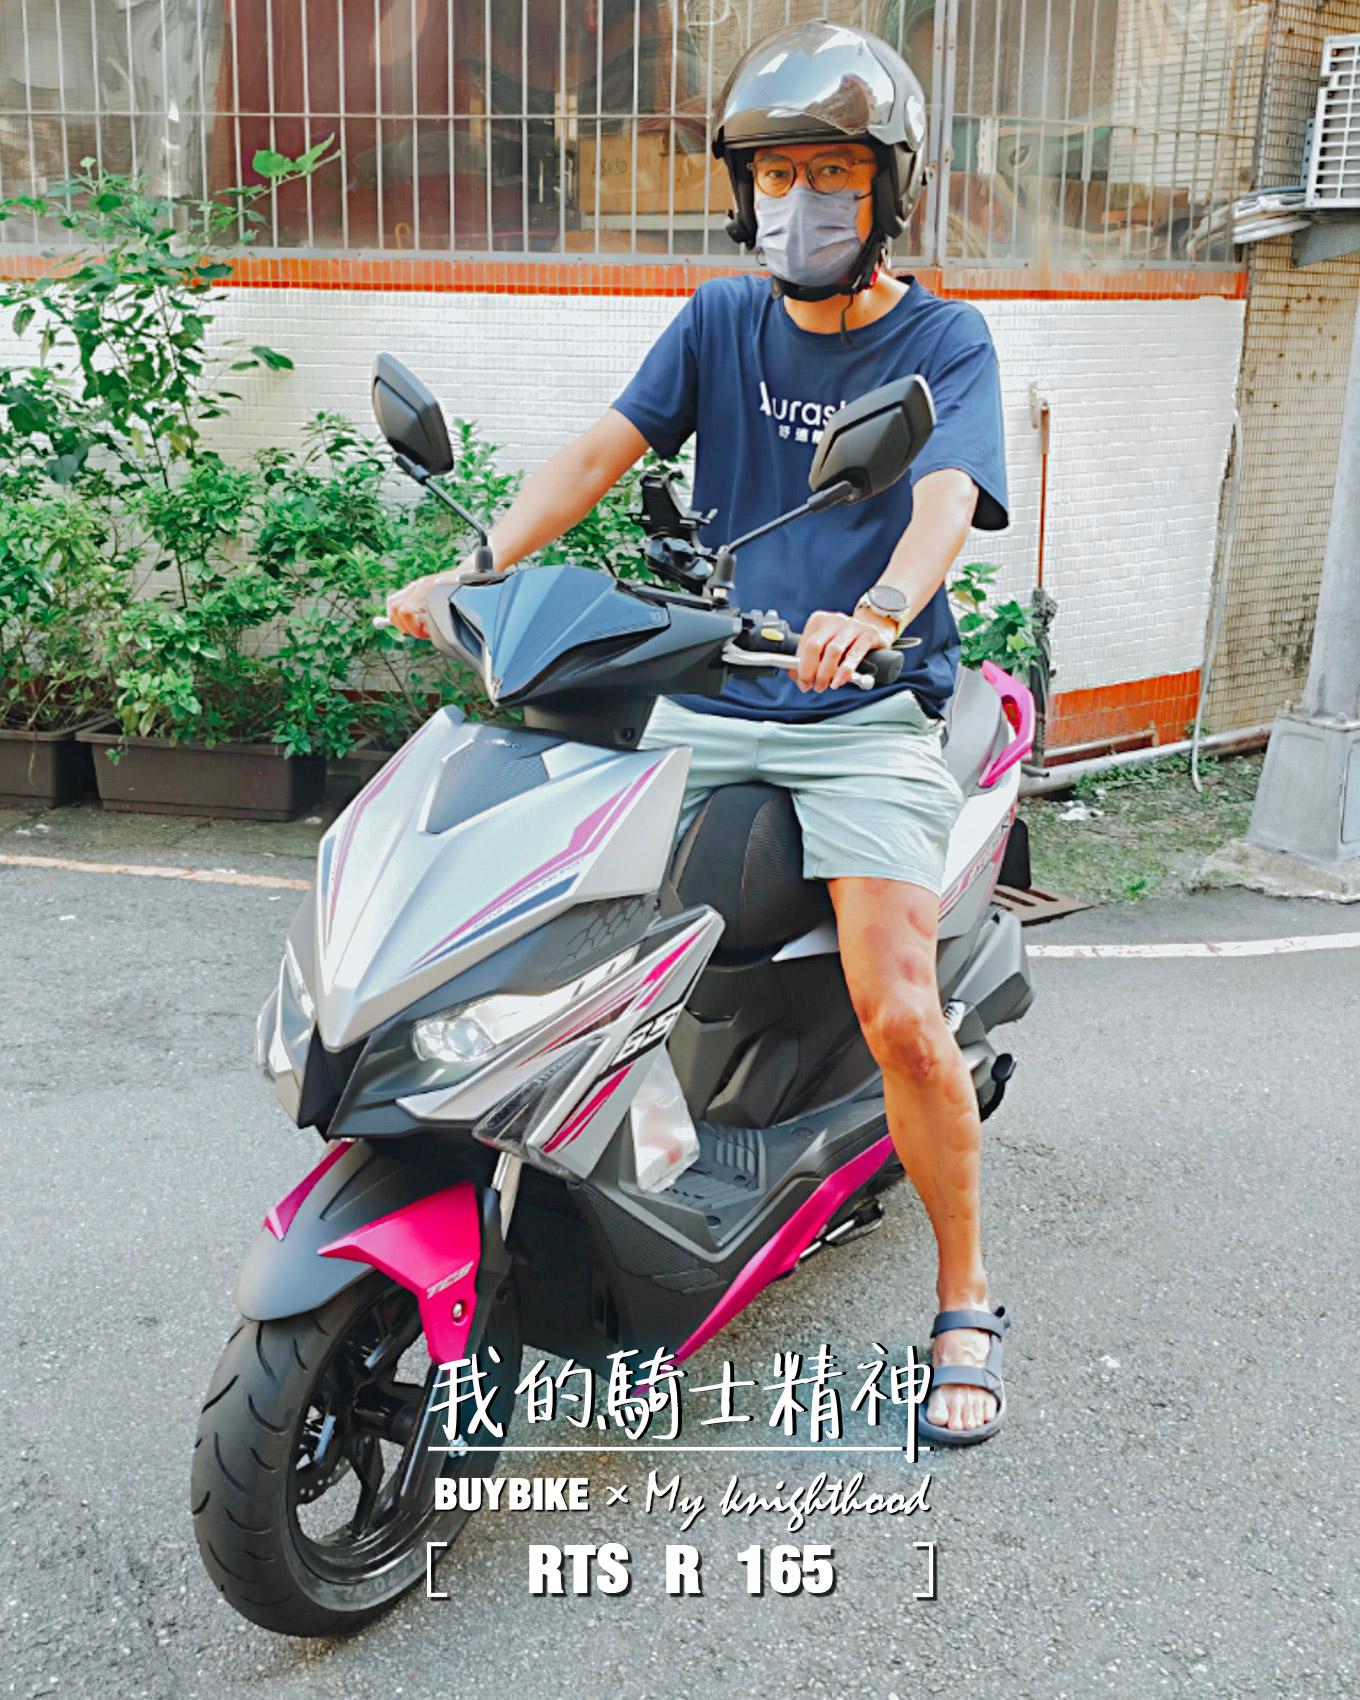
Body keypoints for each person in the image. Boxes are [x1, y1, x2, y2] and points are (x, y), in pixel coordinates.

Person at [387, 21, 1012, 1445]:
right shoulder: (721, 320)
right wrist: (477, 568)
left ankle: (966, 1296)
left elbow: (942, 497)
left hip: (859, 705)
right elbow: (601, 451)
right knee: (550, 920)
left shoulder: (943, 340)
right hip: (710, 686)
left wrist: (880, 608)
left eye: (832, 172)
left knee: (899, 1007)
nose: (801, 200)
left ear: (888, 188)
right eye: (777, 174)